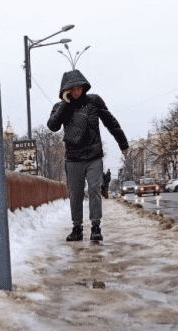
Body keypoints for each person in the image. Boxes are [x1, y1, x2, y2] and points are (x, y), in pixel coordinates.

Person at [47, 69, 129, 241]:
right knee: (75, 193)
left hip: (94, 155)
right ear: (66, 90)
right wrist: (65, 103)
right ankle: (77, 228)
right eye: (73, 89)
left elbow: (110, 122)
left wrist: (123, 143)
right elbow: (53, 126)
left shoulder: (94, 101)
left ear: (84, 87)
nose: (77, 92)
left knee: (94, 190)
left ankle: (96, 227)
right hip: (73, 158)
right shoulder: (59, 106)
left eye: (80, 88)